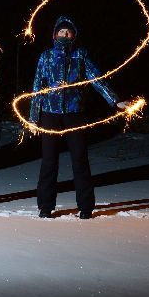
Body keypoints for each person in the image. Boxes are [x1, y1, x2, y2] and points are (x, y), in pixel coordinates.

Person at [28, 16, 129, 219]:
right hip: (50, 114)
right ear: (55, 34)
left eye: (69, 32)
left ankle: (85, 206)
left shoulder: (80, 55)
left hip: (75, 114)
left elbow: (96, 78)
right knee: (48, 161)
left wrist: (114, 100)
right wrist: (33, 117)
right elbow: (37, 88)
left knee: (80, 160)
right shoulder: (46, 57)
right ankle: (45, 206)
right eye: (61, 31)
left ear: (74, 35)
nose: (65, 35)